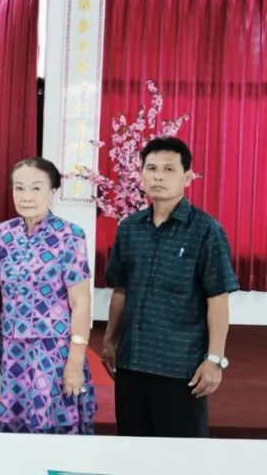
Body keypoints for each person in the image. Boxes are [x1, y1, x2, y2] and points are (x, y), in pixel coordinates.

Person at [102, 137, 238, 438]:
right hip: (132, 363)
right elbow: (121, 290)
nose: (158, 176)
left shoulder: (206, 230)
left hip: (180, 367)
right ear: (141, 174)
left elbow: (218, 299)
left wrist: (214, 359)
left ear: (187, 177)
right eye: (151, 168)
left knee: (181, 455)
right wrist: (110, 340)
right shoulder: (129, 228)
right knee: (132, 450)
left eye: (168, 169)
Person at [0, 157, 96, 434]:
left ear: (53, 191)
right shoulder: (2, 234)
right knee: (15, 426)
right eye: (19, 188)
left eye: (36, 188)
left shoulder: (70, 235)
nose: (26, 196)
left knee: (51, 425)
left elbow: (81, 302)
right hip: (12, 349)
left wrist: (75, 362)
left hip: (52, 350)